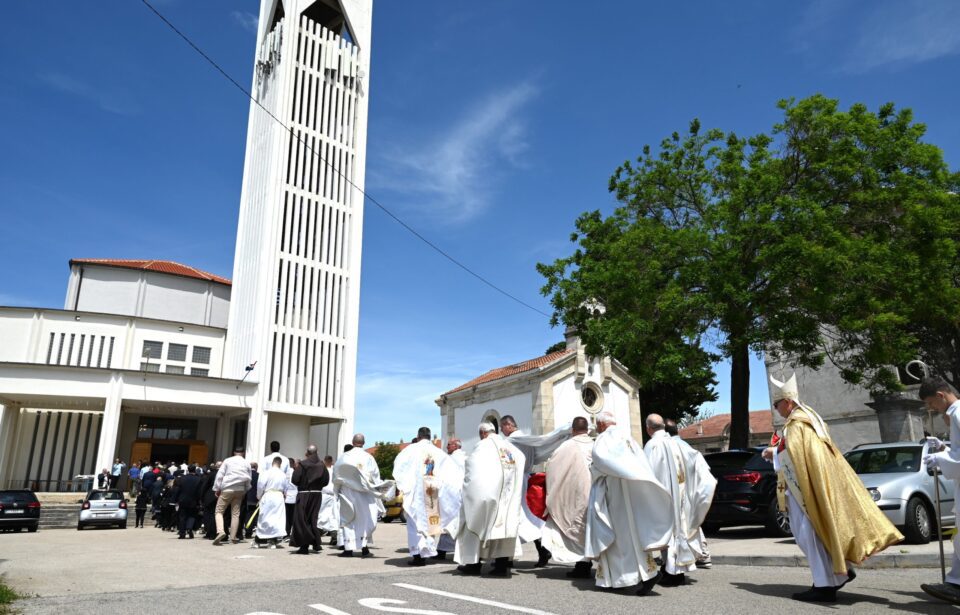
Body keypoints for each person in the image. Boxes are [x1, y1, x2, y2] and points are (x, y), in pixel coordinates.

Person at [762, 374, 902, 603]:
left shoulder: (798, 424)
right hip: (809, 486)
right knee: (812, 533)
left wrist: (773, 453)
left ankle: (825, 584)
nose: (776, 410)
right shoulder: (810, 419)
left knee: (809, 534)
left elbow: (797, 455)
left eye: (777, 405)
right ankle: (838, 571)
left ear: (787, 401)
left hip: (805, 491)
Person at [585, 411, 674, 596]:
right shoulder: (629, 438)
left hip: (614, 493)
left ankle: (632, 578)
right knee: (632, 535)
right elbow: (642, 463)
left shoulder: (603, 439)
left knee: (617, 537)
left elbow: (600, 462)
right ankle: (632, 576)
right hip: (632, 493)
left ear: (601, 425)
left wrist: (592, 470)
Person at [643, 413, 717, 587]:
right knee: (678, 533)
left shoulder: (653, 445)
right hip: (681, 497)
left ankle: (673, 573)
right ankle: (675, 570)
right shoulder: (676, 444)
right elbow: (696, 462)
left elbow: (647, 473)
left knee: (668, 535)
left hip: (663, 498)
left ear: (648, 428)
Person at [454, 422, 526, 577]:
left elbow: (473, 470)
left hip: (486, 496)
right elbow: (521, 461)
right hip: (508, 496)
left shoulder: (483, 446)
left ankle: (473, 565)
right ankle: (501, 566)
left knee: (472, 524)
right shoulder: (510, 448)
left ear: (483, 433)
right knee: (503, 528)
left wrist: (468, 491)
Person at [499, 414, 572, 567]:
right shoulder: (525, 440)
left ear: (509, 425)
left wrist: (563, 431)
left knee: (516, 518)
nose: (501, 430)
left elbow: (543, 439)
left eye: (502, 427)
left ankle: (508, 558)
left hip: (516, 483)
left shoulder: (513, 440)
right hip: (525, 480)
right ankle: (513, 556)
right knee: (529, 519)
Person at [917, 377, 960, 605]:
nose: (931, 409)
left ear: (941, 396)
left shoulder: (957, 413)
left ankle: (956, 585)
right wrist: (945, 449)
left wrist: (941, 459)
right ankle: (955, 584)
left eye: (931, 404)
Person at [393, 427, 463, 566]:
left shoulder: (410, 450)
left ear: (418, 437)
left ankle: (418, 556)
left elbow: (400, 467)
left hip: (416, 492)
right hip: (432, 492)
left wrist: (404, 486)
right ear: (429, 437)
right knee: (430, 522)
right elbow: (451, 475)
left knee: (415, 523)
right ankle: (427, 551)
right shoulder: (439, 453)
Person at [540, 416, 595, 578]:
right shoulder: (596, 444)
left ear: (572, 430)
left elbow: (552, 467)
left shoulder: (567, 446)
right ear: (588, 429)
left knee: (576, 527)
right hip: (596, 494)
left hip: (576, 494)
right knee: (590, 528)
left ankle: (582, 565)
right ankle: (586, 562)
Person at [333, 434, 394, 558]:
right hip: (365, 494)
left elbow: (336, 475)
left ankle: (348, 549)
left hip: (348, 492)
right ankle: (364, 548)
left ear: (353, 442)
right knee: (365, 520)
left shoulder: (344, 457)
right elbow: (375, 476)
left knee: (349, 519)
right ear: (364, 443)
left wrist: (337, 491)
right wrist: (379, 489)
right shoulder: (369, 457)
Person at [290, 445, 329, 555]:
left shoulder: (303, 464)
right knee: (313, 518)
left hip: (304, 494)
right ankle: (316, 542)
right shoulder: (322, 465)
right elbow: (326, 481)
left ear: (307, 452)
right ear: (317, 452)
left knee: (301, 519)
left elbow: (295, 479)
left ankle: (304, 546)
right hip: (317, 494)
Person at [212, 445, 252, 546]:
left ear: (234, 452)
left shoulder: (227, 460)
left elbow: (220, 475)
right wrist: (245, 490)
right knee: (235, 514)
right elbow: (249, 478)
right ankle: (233, 537)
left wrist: (217, 488)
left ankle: (221, 531)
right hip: (240, 489)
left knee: (219, 511)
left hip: (227, 488)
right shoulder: (246, 463)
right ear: (243, 453)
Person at [256, 456, 289, 548]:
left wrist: (259, 496)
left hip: (268, 494)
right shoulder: (283, 474)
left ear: (272, 463)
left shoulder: (267, 473)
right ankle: (273, 541)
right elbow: (286, 488)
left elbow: (260, 485)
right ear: (280, 464)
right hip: (279, 496)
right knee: (276, 518)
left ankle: (258, 540)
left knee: (264, 517)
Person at [174, 464, 202, 539]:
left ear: (188, 470)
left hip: (183, 500)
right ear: (195, 470)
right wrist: (200, 500)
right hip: (194, 500)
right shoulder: (198, 479)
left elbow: (178, 490)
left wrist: (175, 499)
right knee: (192, 515)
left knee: (182, 516)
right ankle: (189, 528)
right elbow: (200, 491)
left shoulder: (182, 478)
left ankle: (182, 533)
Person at [198, 463, 219, 539]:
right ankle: (215, 532)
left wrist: (202, 497)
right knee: (218, 515)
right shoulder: (226, 474)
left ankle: (210, 532)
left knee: (209, 515)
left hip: (210, 497)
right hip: (221, 496)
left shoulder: (212, 474)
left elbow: (205, 485)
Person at [243, 462, 260, 539]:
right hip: (256, 499)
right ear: (256, 467)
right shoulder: (259, 475)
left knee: (247, 515)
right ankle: (254, 531)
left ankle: (247, 531)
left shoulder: (246, 476)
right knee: (255, 515)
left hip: (247, 498)